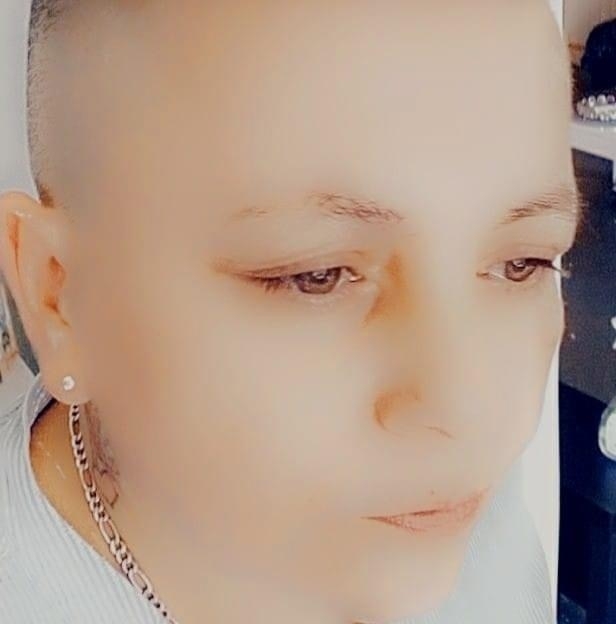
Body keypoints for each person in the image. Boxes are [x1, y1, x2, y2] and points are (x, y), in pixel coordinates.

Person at [0, 1, 579, 623]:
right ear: (61, 297)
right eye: (316, 276)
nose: (468, 408)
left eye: (521, 264)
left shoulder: (451, 508)